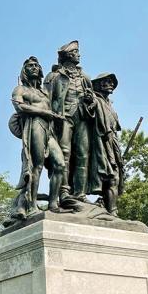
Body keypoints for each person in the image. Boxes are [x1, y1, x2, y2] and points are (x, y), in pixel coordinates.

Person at [7, 56, 66, 222]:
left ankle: (53, 203)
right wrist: (44, 113)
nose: (34, 67)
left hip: (49, 130)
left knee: (60, 164)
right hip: (35, 125)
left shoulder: (44, 92)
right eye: (30, 66)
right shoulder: (20, 90)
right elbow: (19, 106)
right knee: (36, 165)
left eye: (36, 65)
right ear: (25, 71)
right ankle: (31, 206)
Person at [43, 41, 98, 209]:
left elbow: (94, 100)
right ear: (68, 55)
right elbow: (45, 98)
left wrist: (91, 101)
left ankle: (80, 193)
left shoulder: (85, 78)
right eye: (76, 52)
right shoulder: (54, 76)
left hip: (82, 118)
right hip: (62, 118)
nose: (79, 55)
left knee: (83, 155)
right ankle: (64, 191)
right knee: (64, 154)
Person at [91, 72, 124, 216]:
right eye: (106, 81)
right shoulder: (94, 99)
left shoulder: (110, 104)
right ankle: (112, 211)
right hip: (99, 142)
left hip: (112, 142)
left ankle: (112, 210)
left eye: (112, 82)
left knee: (116, 177)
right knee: (111, 177)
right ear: (98, 84)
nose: (110, 84)